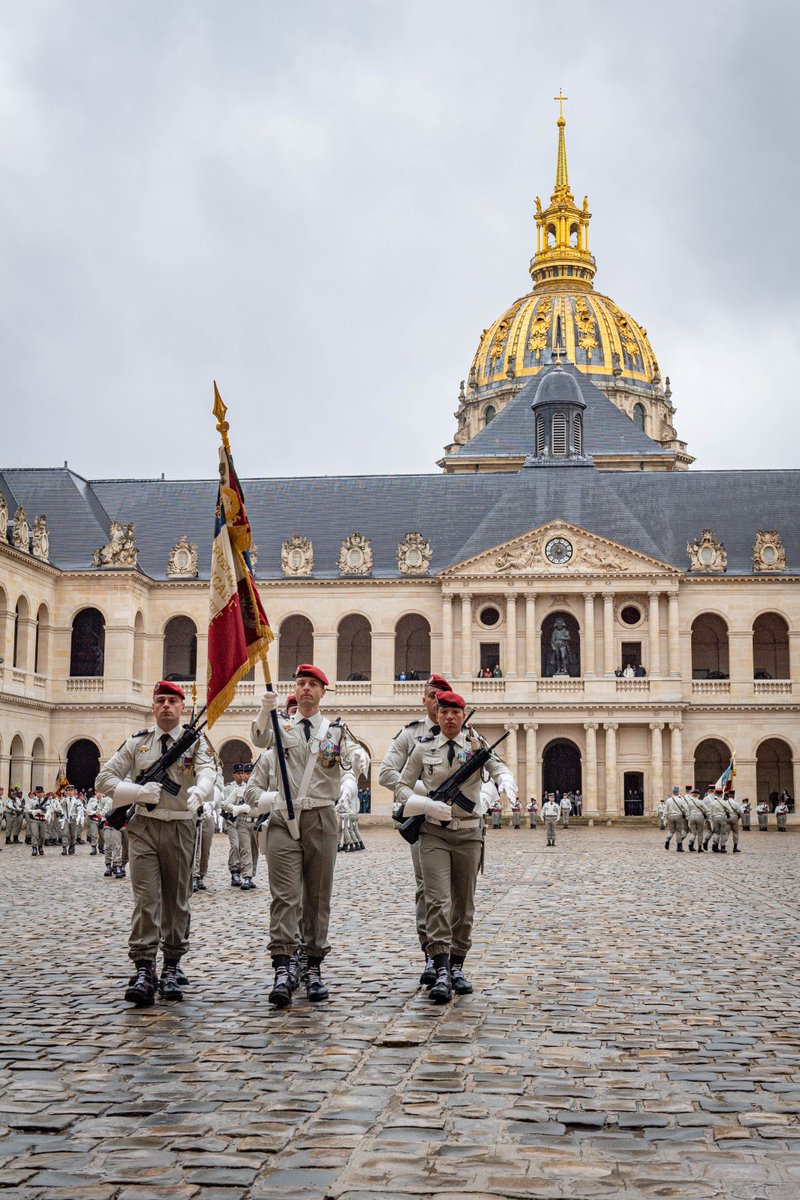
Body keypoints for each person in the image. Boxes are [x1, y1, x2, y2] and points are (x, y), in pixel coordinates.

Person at [250, 664, 368, 1008]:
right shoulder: (280, 724)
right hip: (283, 819)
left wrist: (353, 775)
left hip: (320, 816)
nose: (305, 689)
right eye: (300, 683)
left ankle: (313, 964)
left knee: (317, 896)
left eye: (312, 684)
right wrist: (264, 709)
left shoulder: (336, 731)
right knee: (285, 897)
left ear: (322, 692)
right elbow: (258, 740)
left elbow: (352, 759)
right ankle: (283, 967)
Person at [96, 680, 215, 1007]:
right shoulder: (138, 743)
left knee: (177, 899)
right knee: (146, 898)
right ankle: (145, 966)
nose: (166, 706)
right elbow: (104, 780)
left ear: (180, 707)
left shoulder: (196, 742)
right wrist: (136, 793)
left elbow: (208, 771)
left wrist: (201, 789)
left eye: (172, 701)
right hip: (144, 827)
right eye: (160, 700)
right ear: (153, 706)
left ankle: (173, 966)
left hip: (179, 827)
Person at [394, 689, 517, 1003]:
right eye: (444, 712)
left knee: (463, 904)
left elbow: (497, 767)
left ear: (464, 716)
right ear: (438, 715)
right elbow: (401, 786)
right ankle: (441, 966)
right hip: (434, 832)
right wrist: (423, 804)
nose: (449, 717)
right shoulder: (422, 749)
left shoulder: (477, 745)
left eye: (455, 712)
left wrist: (504, 781)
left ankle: (458, 963)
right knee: (437, 900)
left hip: (468, 833)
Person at [379, 673, 453, 987]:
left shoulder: (464, 731)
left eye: (442, 697)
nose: (436, 703)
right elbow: (386, 773)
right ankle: (431, 954)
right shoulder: (411, 736)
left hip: (457, 822)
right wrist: (419, 794)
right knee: (428, 890)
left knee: (457, 893)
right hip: (424, 823)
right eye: (431, 696)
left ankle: (453, 960)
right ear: (423, 700)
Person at [222, 764, 256, 890]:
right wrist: (237, 808)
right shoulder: (238, 789)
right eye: (245, 773)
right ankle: (244, 876)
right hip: (241, 822)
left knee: (254, 851)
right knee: (244, 849)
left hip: (257, 822)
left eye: (249, 773)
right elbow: (225, 804)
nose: (246, 775)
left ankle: (251, 875)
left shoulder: (261, 789)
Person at [664, 786, 689, 851]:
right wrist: (686, 815)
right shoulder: (680, 800)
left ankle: (667, 840)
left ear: (673, 792)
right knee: (678, 831)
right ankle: (679, 846)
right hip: (678, 816)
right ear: (678, 792)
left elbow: (665, 810)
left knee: (671, 830)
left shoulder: (668, 800)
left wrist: (665, 818)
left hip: (671, 816)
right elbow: (686, 808)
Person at [685, 787, 709, 852]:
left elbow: (687, 812)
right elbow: (707, 809)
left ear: (693, 795)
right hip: (699, 817)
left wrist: (689, 818)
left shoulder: (690, 802)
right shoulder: (700, 802)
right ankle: (700, 847)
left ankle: (691, 843)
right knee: (700, 832)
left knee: (693, 832)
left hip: (692, 817)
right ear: (698, 795)